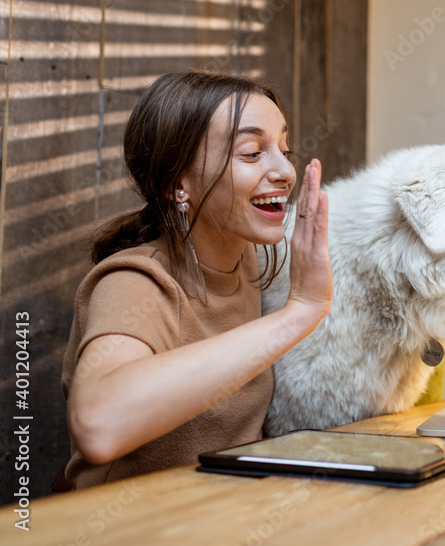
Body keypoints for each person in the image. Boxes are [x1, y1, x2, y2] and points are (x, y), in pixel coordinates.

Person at [59, 71, 332, 489]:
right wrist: (300, 312)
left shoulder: (247, 262)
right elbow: (98, 425)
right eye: (252, 152)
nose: (285, 171)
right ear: (176, 183)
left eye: (284, 147)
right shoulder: (137, 282)